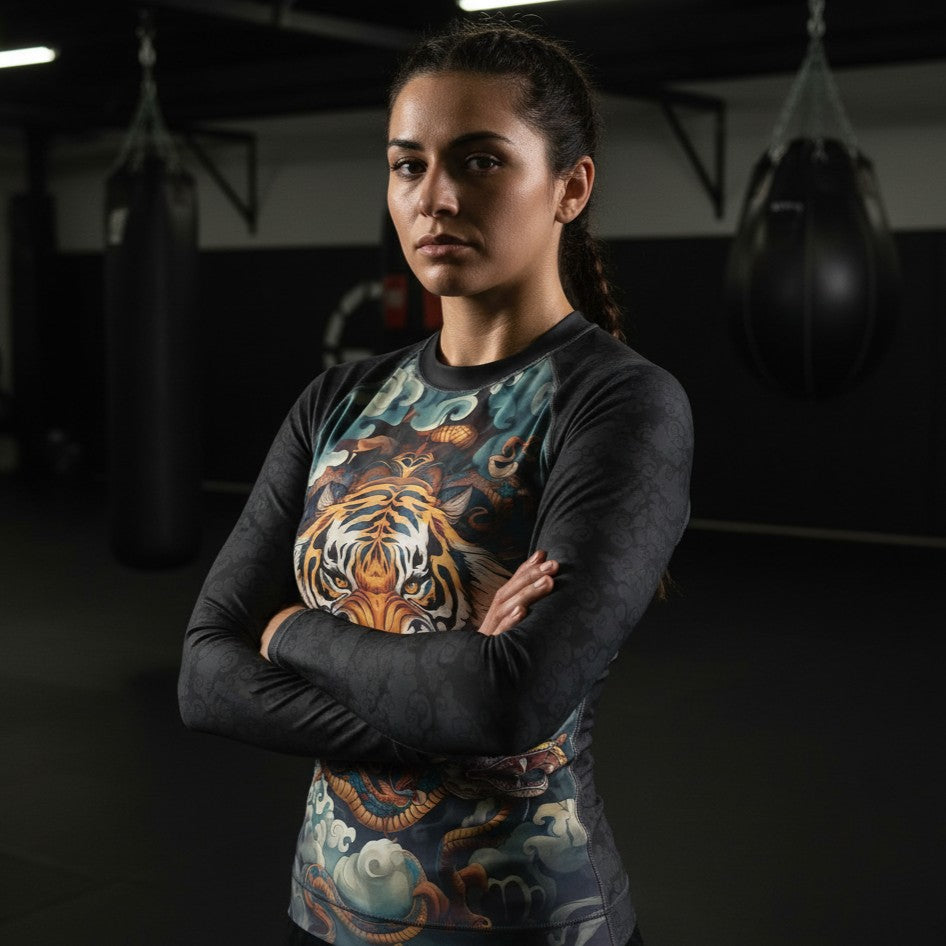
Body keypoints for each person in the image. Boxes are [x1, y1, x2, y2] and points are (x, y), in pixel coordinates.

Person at [178, 17, 693, 946]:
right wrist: (447, 699)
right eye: (409, 164)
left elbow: (506, 700)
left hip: (531, 920)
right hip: (323, 915)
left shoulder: (620, 404)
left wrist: (292, 629)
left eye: (482, 160)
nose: (435, 196)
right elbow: (206, 674)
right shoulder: (339, 398)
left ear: (570, 188)